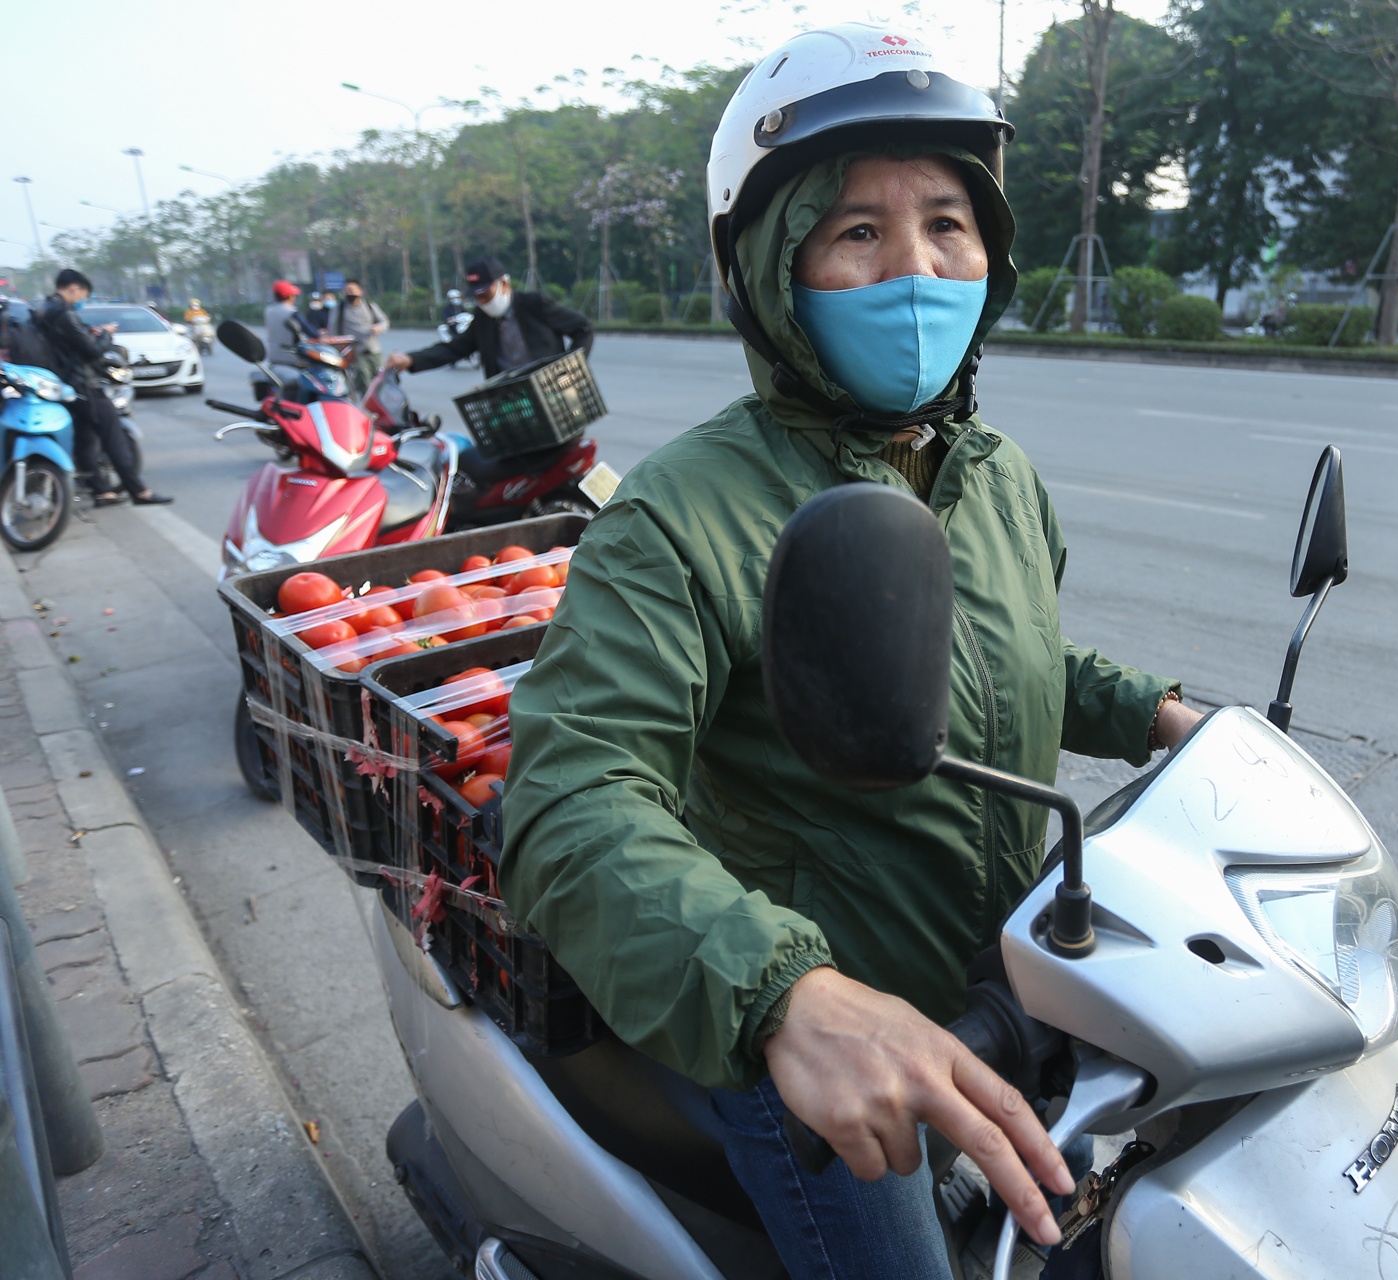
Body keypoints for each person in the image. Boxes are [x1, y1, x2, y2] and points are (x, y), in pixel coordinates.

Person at [497, 26, 1201, 1280]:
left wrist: (1154, 712)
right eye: (858, 233)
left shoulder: (995, 476)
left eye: (947, 223)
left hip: (1005, 977)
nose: (917, 269)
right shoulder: (680, 513)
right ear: (774, 269)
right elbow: (568, 795)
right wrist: (785, 996)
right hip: (808, 1032)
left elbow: (1006, 649)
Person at [33, 269, 170, 505]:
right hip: (85, 384)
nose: (81, 300)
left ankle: (102, 491)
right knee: (113, 438)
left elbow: (69, 344)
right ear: (74, 288)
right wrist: (105, 335)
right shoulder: (65, 314)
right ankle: (139, 491)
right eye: (83, 294)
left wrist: (90, 332)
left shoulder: (44, 310)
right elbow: (92, 351)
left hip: (63, 386)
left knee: (85, 438)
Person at [385, 256, 591, 379]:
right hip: (510, 394)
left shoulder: (534, 304)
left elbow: (583, 328)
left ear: (504, 284)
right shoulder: (483, 319)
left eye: (485, 293)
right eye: (477, 296)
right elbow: (455, 348)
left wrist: (571, 368)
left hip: (550, 387)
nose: (482, 301)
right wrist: (411, 359)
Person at [335, 280, 388, 397]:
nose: (350, 293)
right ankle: (368, 406)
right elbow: (332, 331)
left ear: (360, 292)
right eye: (347, 291)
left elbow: (384, 322)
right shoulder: (339, 309)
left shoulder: (370, 306)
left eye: (353, 291)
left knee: (379, 379)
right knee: (365, 379)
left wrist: (379, 327)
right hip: (354, 352)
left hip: (373, 349)